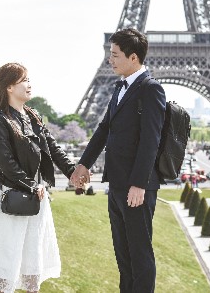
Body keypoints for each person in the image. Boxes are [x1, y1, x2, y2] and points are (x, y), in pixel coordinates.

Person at [0, 62, 76, 293]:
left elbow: (52, 147)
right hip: (11, 199)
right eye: (24, 80)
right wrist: (32, 185)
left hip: (35, 199)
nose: (29, 84)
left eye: (29, 79)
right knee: (7, 261)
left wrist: (72, 171)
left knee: (33, 261)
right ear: (9, 87)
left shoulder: (33, 115)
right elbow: (6, 163)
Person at [71, 28, 166, 293]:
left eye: (115, 55)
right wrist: (83, 164)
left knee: (140, 255)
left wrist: (139, 184)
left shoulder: (151, 89)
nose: (109, 59)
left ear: (133, 57)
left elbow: (151, 141)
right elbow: (104, 129)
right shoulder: (119, 87)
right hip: (117, 184)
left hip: (136, 188)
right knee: (123, 256)